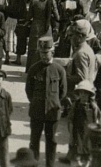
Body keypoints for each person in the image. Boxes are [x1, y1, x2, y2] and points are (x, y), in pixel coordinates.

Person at [25, 37, 68, 167]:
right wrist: (36, 102)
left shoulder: (59, 70)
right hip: (36, 111)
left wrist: (53, 102)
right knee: (34, 140)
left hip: (52, 111)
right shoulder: (34, 69)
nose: (44, 56)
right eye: (41, 53)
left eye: (46, 53)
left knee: (51, 141)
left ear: (52, 52)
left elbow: (63, 91)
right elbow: (29, 90)